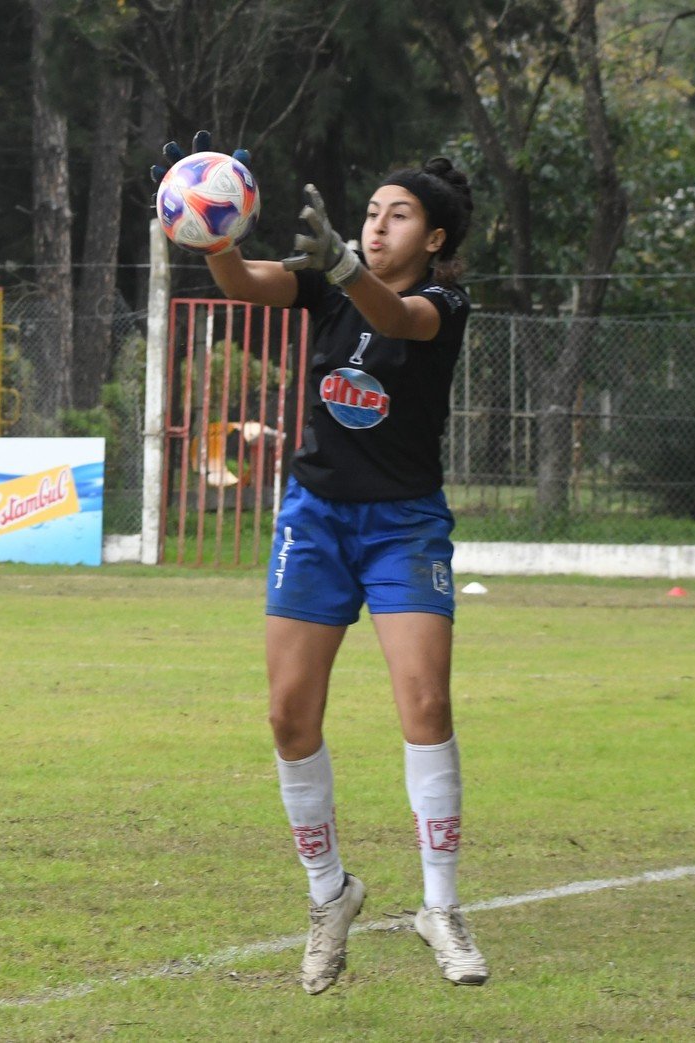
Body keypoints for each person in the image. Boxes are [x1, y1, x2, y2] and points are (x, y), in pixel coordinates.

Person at [155, 134, 488, 993]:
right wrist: (215, 230)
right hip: (314, 519)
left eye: (398, 215)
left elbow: (395, 317)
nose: (376, 225)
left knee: (424, 700)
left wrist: (346, 268)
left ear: (436, 240)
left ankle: (440, 907)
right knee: (286, 717)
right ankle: (328, 894)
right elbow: (240, 284)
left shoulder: (444, 305)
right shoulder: (324, 285)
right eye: (370, 213)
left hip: (404, 526)